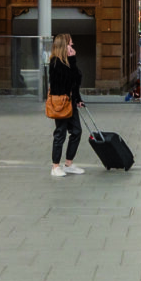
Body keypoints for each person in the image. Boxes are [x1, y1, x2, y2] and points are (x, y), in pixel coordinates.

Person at [45, 33, 86, 176]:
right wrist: (72, 60)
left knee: (76, 131)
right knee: (60, 133)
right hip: (61, 103)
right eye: (70, 43)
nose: (72, 45)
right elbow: (66, 80)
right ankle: (55, 166)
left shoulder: (69, 61)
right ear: (63, 46)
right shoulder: (55, 63)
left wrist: (78, 98)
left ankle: (68, 164)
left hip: (71, 102)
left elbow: (76, 80)